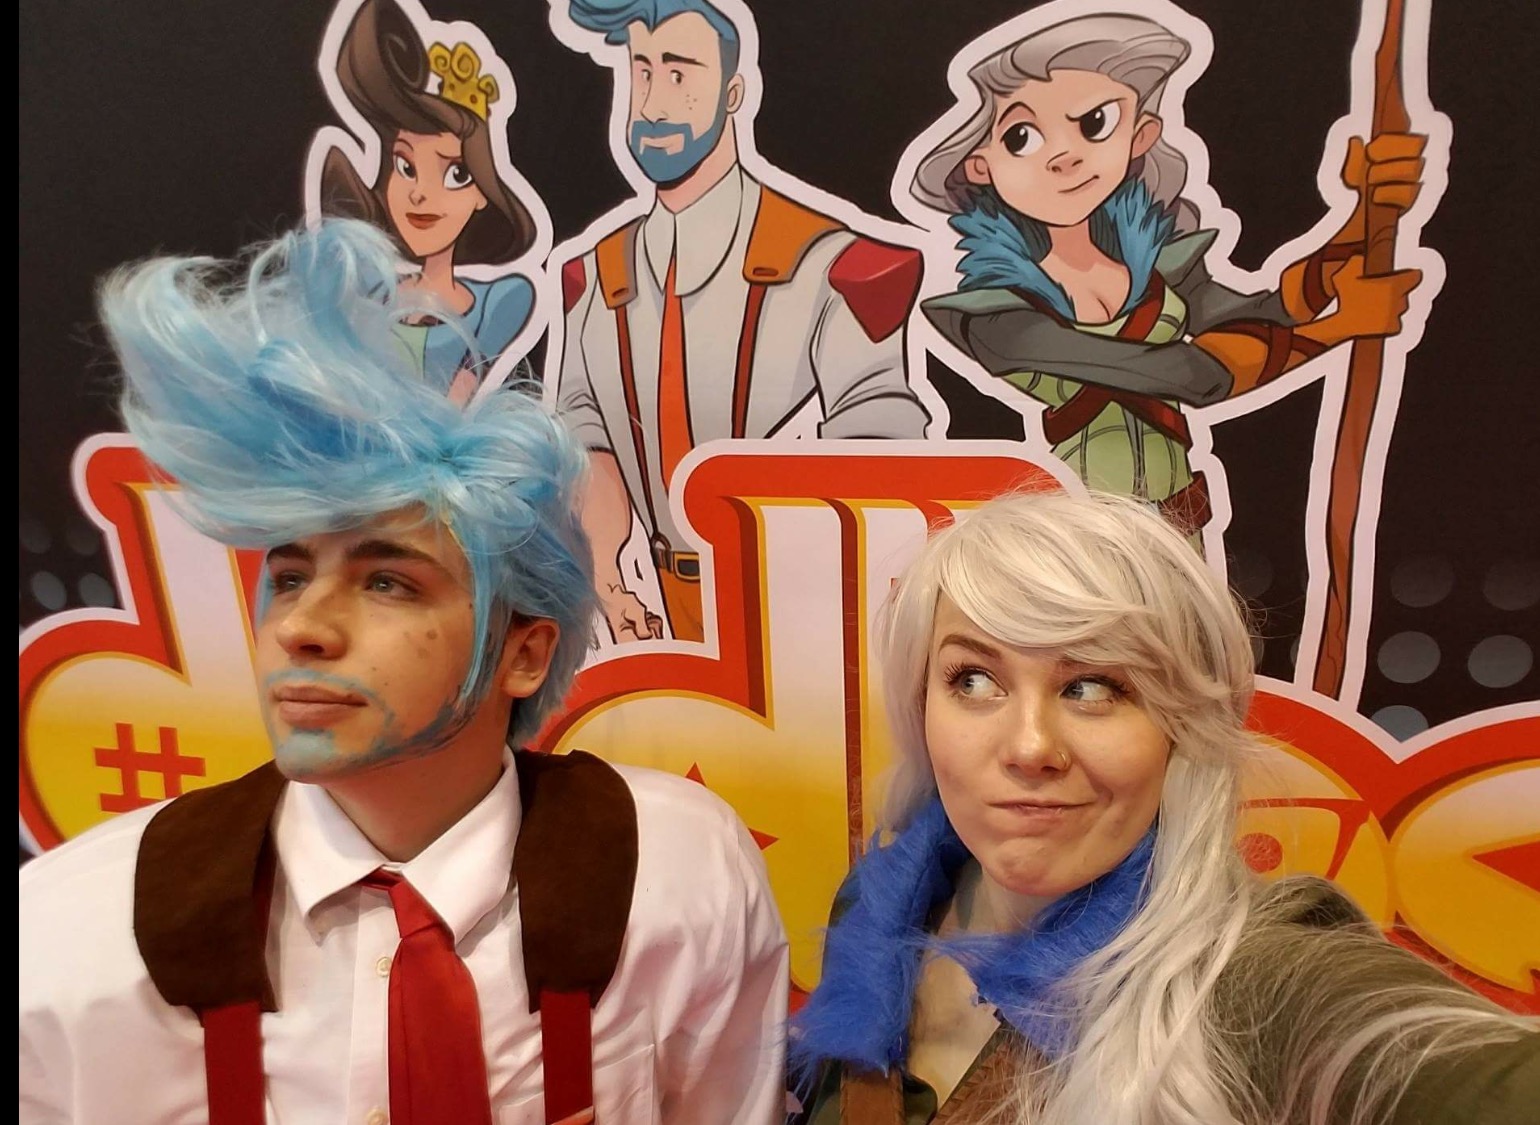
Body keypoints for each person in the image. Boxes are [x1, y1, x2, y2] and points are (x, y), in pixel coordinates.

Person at [18, 219, 788, 1124]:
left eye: (388, 582)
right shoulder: (68, 941)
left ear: (524, 653)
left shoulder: (681, 876)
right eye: (289, 577)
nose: (300, 627)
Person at [789, 490, 1538, 1123]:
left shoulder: (1246, 981)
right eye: (975, 680)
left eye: (1092, 686)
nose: (1029, 746)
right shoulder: (877, 905)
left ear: (1182, 727)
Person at [912, 13, 1424, 539]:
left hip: (1180, 525)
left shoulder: (1157, 264)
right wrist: (1339, 330)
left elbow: (1261, 313)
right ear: (981, 164)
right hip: (1085, 539)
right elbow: (1189, 376)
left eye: (1094, 124)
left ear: (1140, 135)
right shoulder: (996, 316)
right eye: (1022, 136)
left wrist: (1360, 219)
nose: (1064, 156)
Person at [554, 0, 931, 643]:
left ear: (733, 94)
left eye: (679, 73)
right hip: (655, 613)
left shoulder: (831, 264)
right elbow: (587, 439)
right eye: (642, 72)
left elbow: (879, 445)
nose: (653, 106)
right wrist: (610, 584)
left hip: (798, 615)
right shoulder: (594, 277)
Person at [319, 0, 539, 401]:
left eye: (455, 174)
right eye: (405, 167)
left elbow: (458, 404)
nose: (420, 193)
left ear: (481, 193)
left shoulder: (496, 303)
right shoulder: (370, 284)